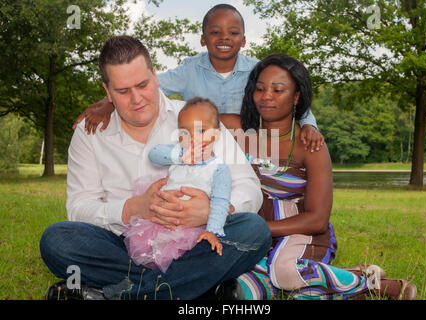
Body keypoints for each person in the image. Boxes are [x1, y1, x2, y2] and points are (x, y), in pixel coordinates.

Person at [39, 35, 272, 300]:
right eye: (123, 91)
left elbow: (249, 188)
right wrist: (133, 208)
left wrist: (211, 211)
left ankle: (121, 294)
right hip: (122, 246)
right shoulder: (88, 134)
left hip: (195, 244)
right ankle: (194, 288)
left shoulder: (197, 117)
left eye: (143, 85)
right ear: (107, 91)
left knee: (254, 230)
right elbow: (79, 208)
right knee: (56, 240)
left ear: (155, 75)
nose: (137, 99)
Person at [218, 53, 417, 300]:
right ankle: (340, 284)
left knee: (284, 272)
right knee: (242, 291)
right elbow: (188, 117)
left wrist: (259, 229)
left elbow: (317, 220)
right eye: (260, 89)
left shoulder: (310, 145)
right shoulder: (235, 129)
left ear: (297, 96)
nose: (266, 96)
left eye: (278, 90)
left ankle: (374, 284)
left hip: (300, 231)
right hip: (254, 230)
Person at [73, 4, 325, 152]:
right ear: (204, 39)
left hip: (248, 147)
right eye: (215, 32)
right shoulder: (188, 70)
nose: (224, 38)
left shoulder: (258, 70)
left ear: (244, 40)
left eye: (233, 32)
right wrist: (107, 104)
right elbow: (141, 85)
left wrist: (309, 124)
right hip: (202, 148)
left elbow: (291, 99)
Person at [124, 97, 231, 273]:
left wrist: (212, 231)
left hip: (191, 228)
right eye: (185, 133)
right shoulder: (177, 154)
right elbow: (154, 154)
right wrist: (179, 157)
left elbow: (220, 201)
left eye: (201, 131)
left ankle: (171, 280)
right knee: (146, 254)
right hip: (160, 222)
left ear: (216, 134)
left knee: (190, 259)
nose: (193, 138)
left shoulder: (218, 169)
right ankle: (148, 277)